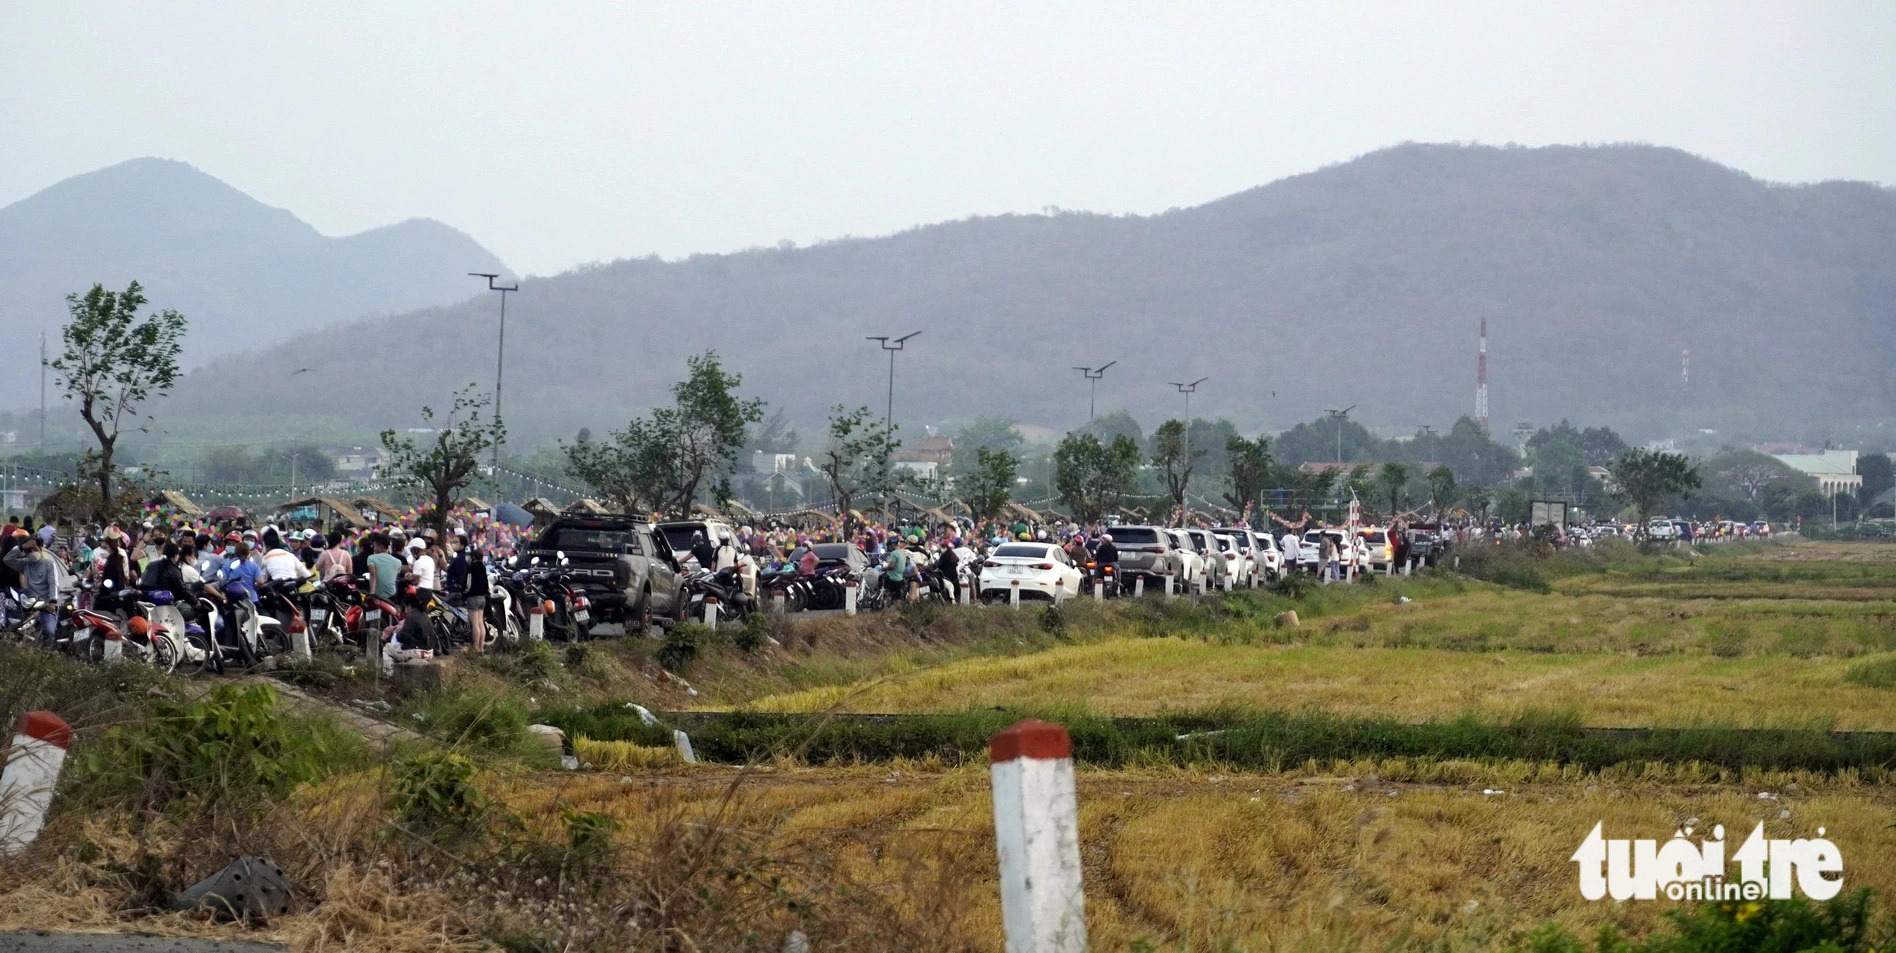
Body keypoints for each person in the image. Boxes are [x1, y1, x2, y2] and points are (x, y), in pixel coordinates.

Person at [4, 537, 60, 645]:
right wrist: (21, 547)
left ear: (40, 548)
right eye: (28, 550)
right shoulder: (25, 564)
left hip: (45, 606)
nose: (32, 552)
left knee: (48, 631)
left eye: (34, 548)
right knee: (16, 630)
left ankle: (51, 653)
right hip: (28, 606)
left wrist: (53, 601)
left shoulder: (49, 564)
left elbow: (53, 583)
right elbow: (7, 560)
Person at [463, 546, 491, 653]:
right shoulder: (483, 567)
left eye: (470, 555)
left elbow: (468, 585)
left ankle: (475, 648)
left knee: (474, 624)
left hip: (473, 598)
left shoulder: (471, 568)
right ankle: (481, 647)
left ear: (474, 557)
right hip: (482, 598)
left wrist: (464, 593)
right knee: (480, 622)